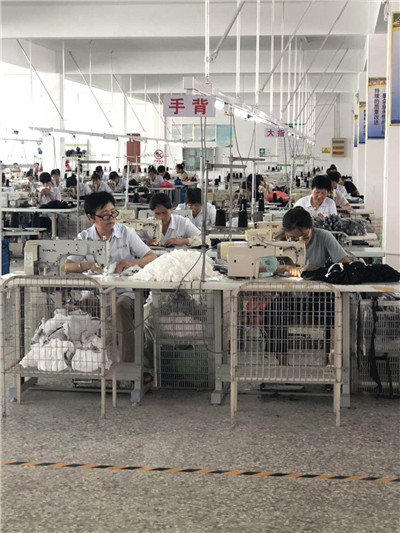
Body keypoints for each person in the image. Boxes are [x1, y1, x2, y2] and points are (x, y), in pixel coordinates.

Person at [64, 192, 156, 366]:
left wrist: (131, 262)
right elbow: (68, 266)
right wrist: (87, 265)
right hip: (98, 291)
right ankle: (93, 362)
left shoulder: (126, 233)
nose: (111, 218)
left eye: (113, 213)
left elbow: (151, 257)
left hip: (125, 292)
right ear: (91, 217)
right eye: (105, 215)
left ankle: (129, 366)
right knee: (84, 304)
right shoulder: (85, 238)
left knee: (121, 307)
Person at [279, 207, 349, 275]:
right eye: (293, 238)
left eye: (305, 237)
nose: (300, 242)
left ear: (311, 226)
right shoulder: (279, 242)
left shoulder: (324, 236)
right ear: (286, 233)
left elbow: (346, 265)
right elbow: (272, 267)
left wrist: (319, 270)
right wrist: (286, 268)